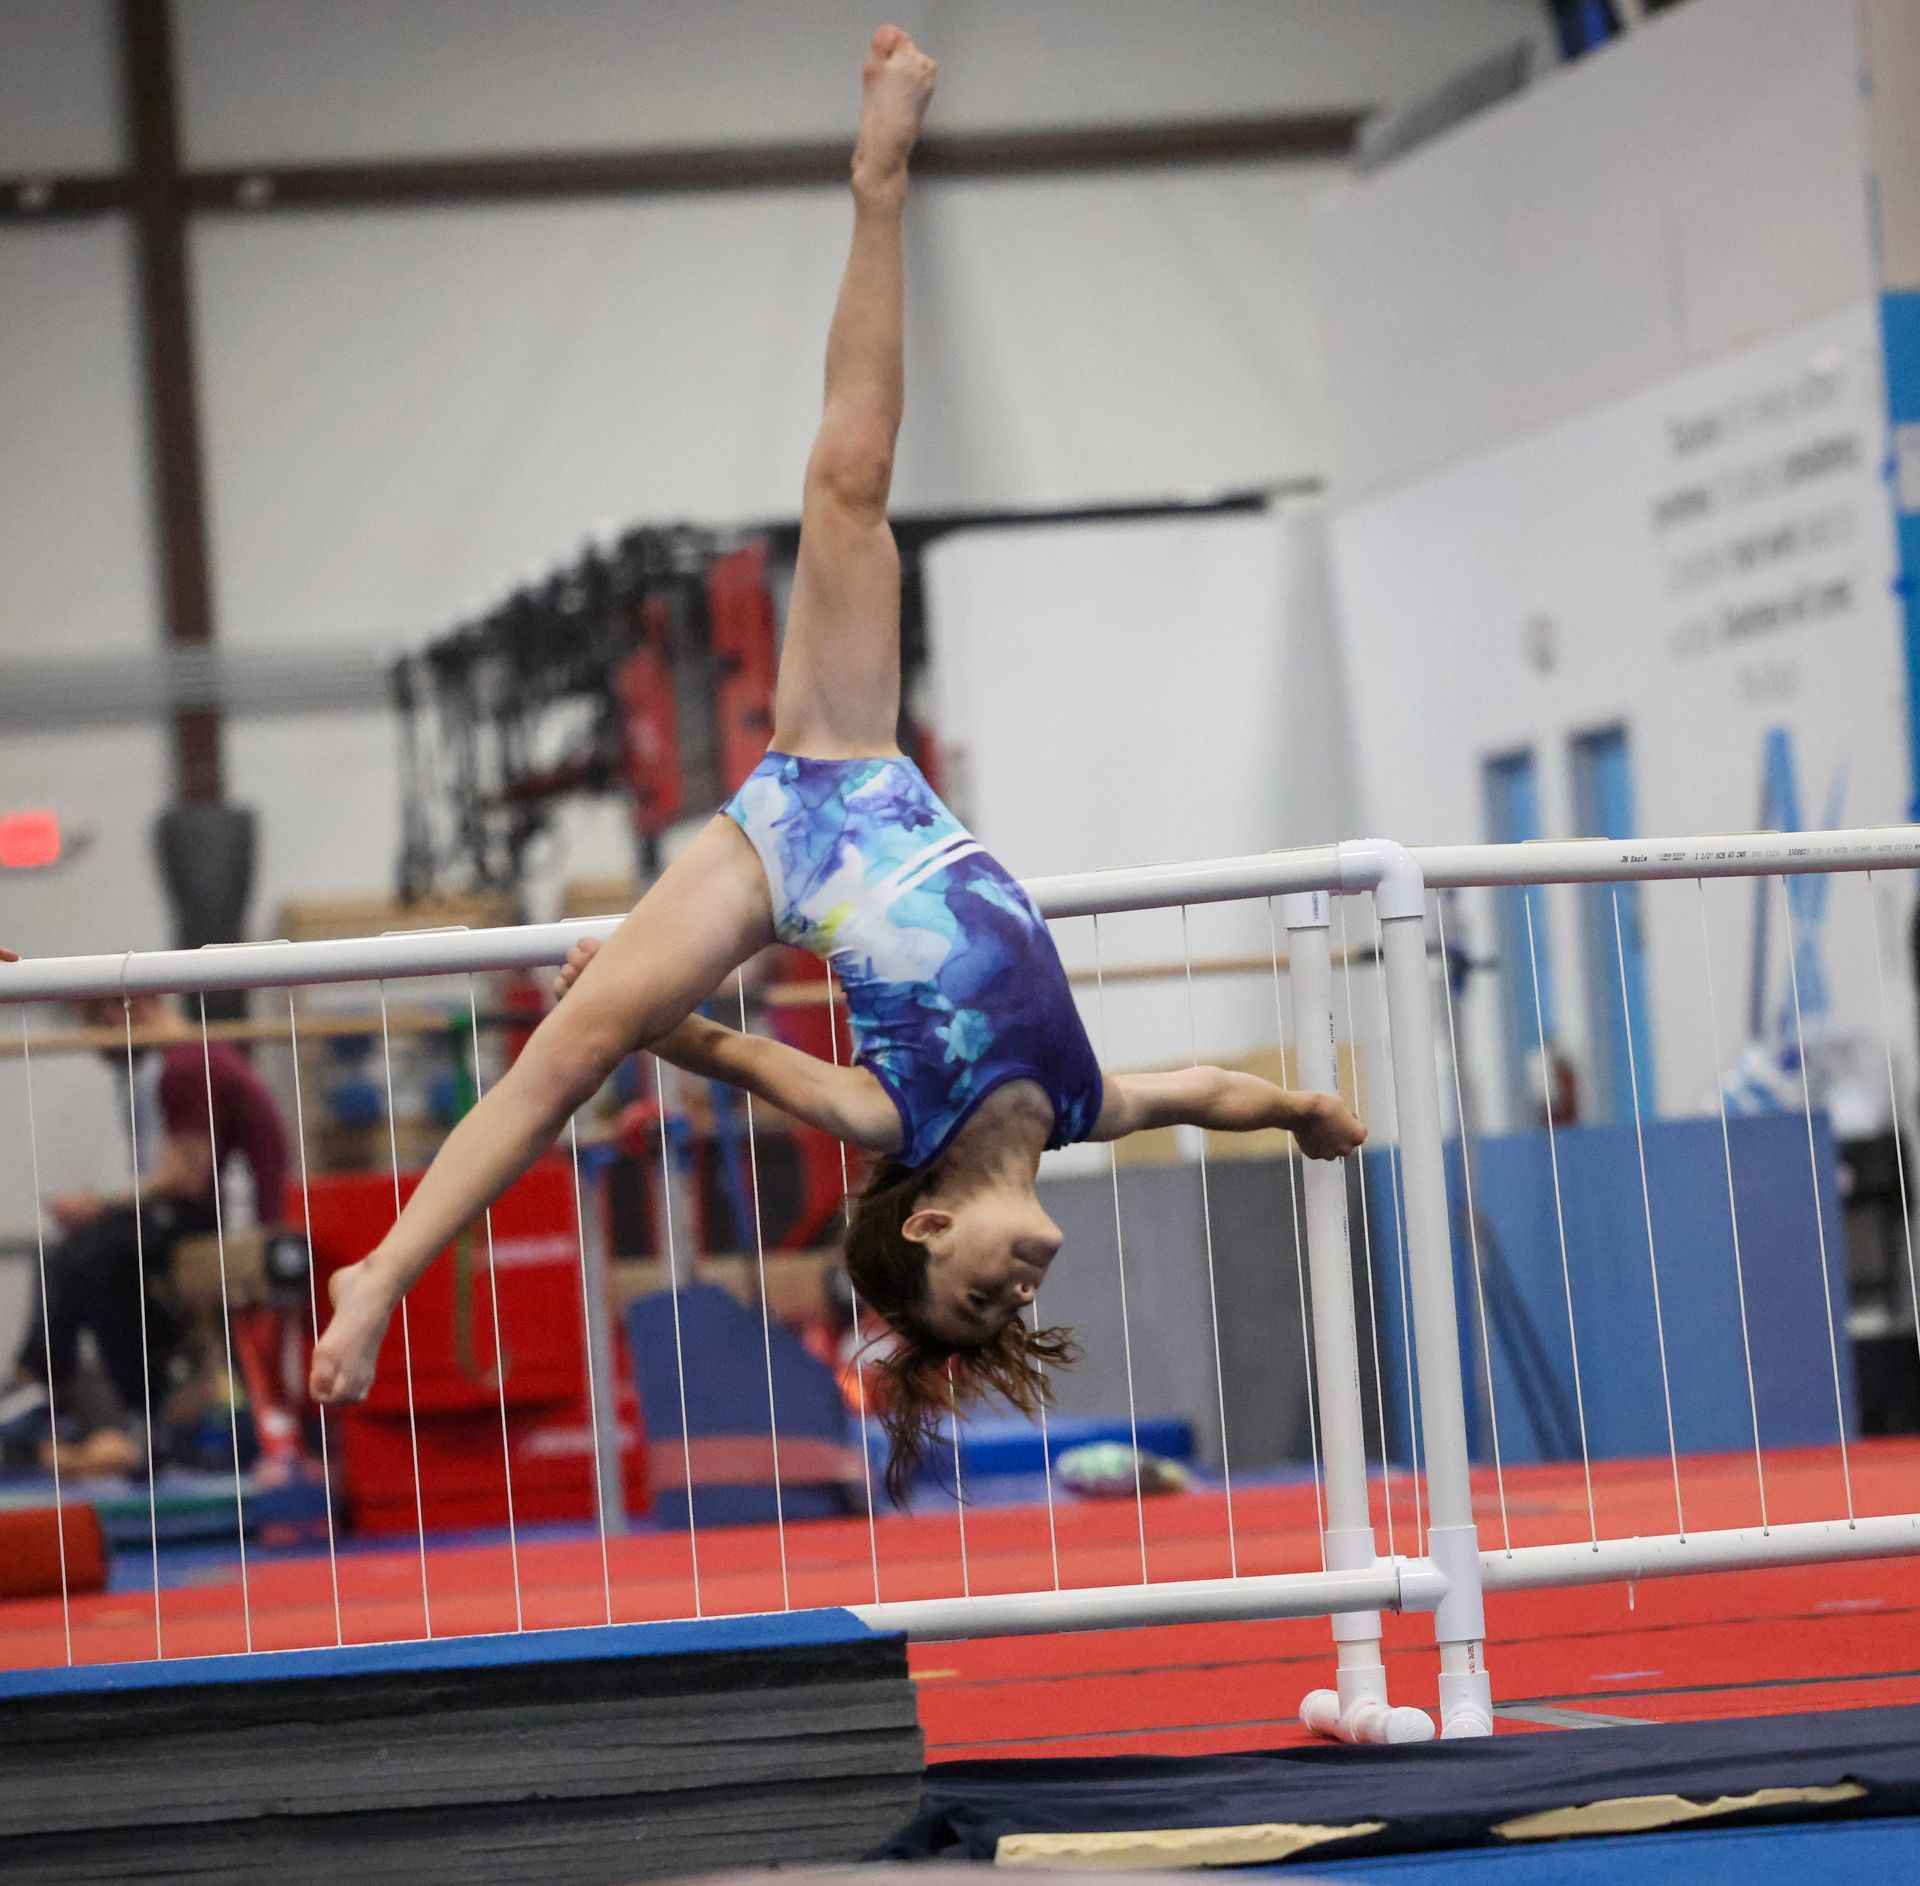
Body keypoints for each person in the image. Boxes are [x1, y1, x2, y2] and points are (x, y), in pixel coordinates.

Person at [311, 26, 1366, 1498]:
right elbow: (1200, 1088)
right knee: (860, 475)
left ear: (927, 1228)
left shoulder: (895, 1119)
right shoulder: (1072, 1106)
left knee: (568, 1056)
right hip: (867, 775)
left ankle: (383, 1269)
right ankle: (886, 187)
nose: (1021, 1289)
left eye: (985, 1295)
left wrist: (655, 1019)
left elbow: (750, 1055)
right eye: (1016, 1307)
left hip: (792, 835)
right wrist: (1305, 1110)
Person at [0, 990, 290, 1475]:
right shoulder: (189, 1058)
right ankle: (125, 1408)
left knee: (84, 1255)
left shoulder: (185, 1065)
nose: (94, 1042)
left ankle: (55, 1390)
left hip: (233, 1222)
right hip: (211, 1211)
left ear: (127, 1010)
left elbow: (187, 1180)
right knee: (91, 1262)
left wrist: (98, 1203)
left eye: (97, 1023)